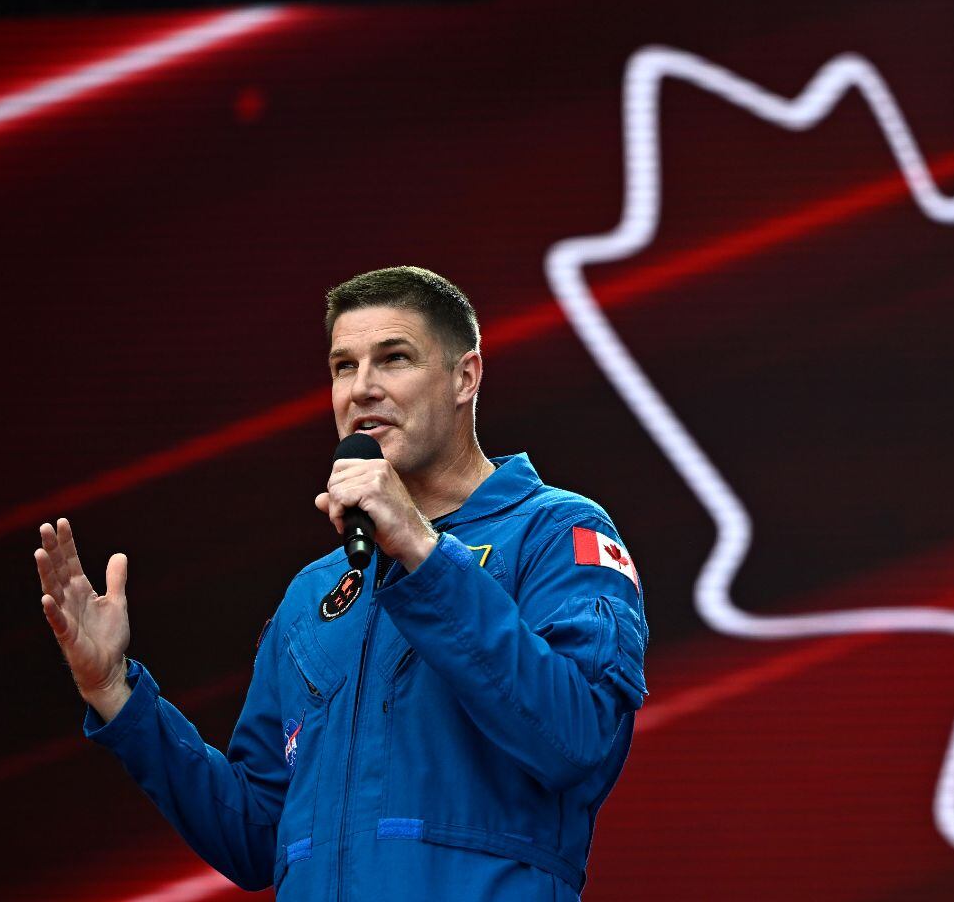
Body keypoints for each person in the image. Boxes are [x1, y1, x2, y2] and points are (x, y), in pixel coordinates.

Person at [32, 266, 647, 900]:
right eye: (343, 367)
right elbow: (255, 838)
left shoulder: (556, 532)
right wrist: (115, 693)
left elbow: (577, 740)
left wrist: (423, 553)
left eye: (394, 358)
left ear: (465, 377)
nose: (362, 389)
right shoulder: (313, 591)